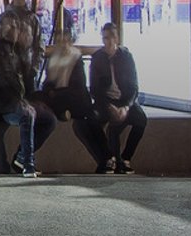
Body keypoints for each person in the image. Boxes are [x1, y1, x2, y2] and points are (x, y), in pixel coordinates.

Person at [0, 13, 43, 176]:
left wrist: (31, 100)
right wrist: (20, 103)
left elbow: (27, 83)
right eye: (10, 26)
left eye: (16, 27)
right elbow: (0, 84)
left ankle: (21, 157)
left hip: (16, 102)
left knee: (48, 118)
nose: (14, 30)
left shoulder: (18, 53)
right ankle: (28, 163)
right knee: (26, 115)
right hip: (1, 106)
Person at [37, 27, 107, 172]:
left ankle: (107, 158)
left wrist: (56, 91)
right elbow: (47, 85)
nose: (62, 44)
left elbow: (78, 86)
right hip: (58, 99)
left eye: (65, 40)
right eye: (59, 41)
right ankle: (106, 159)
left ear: (70, 42)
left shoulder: (76, 58)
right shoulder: (53, 59)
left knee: (90, 121)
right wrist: (53, 91)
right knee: (41, 98)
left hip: (76, 100)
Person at [90, 22, 146, 174]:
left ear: (116, 39)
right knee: (92, 120)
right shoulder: (98, 58)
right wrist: (109, 106)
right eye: (103, 38)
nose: (105, 42)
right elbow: (94, 89)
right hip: (106, 101)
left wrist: (126, 106)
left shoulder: (126, 57)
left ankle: (126, 158)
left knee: (141, 119)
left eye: (108, 38)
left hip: (124, 99)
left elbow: (134, 87)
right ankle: (110, 159)